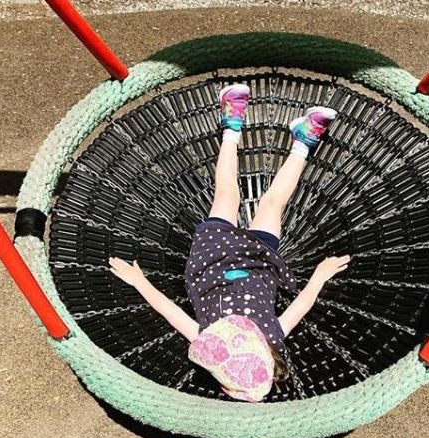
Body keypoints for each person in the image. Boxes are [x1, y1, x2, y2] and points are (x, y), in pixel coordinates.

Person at [109, 83, 350, 402]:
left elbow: (170, 311)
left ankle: (232, 124)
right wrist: (320, 274)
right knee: (273, 204)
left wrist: (138, 281)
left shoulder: (210, 339)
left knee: (227, 194)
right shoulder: (272, 335)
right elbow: (301, 304)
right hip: (259, 261)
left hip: (211, 259)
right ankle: (303, 140)